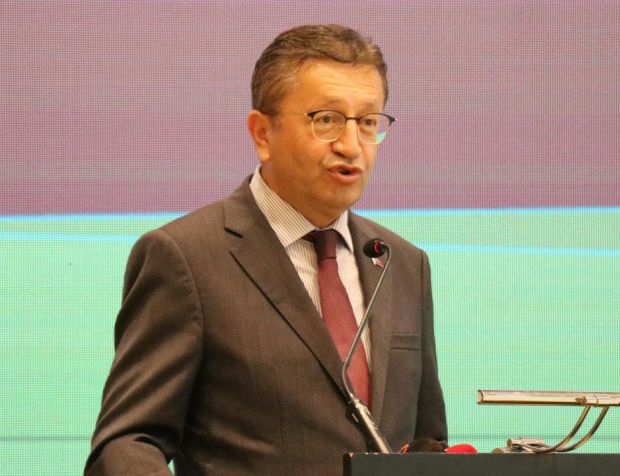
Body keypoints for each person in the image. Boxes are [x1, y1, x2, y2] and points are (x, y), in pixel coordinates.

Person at [85, 24, 447, 476]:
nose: (351, 146)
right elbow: (127, 443)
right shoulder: (186, 258)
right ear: (262, 133)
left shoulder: (402, 263)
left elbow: (428, 441)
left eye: (368, 122)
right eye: (326, 120)